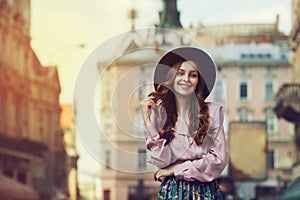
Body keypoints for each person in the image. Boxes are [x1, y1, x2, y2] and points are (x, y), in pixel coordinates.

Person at [140, 47, 229, 200]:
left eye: (192, 75)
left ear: (198, 81)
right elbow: (162, 161)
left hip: (206, 193)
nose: (186, 79)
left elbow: (219, 160)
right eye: (180, 73)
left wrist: (175, 169)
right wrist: (148, 121)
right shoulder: (160, 116)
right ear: (171, 78)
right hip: (172, 193)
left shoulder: (212, 112)